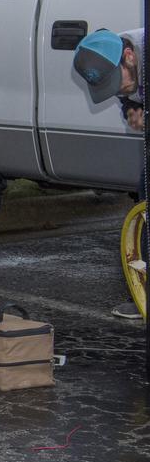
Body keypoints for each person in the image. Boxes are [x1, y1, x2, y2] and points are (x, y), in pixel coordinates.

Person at [73, 27, 146, 319]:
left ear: (129, 56)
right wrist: (132, 110)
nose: (118, 91)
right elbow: (130, 99)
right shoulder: (120, 59)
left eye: (118, 83)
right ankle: (144, 291)